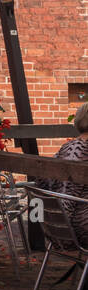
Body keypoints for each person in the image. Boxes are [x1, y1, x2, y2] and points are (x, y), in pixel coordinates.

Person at [36, 101, 88, 245]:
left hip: (56, 228)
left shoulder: (67, 147)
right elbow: (68, 197)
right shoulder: (79, 151)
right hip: (78, 229)